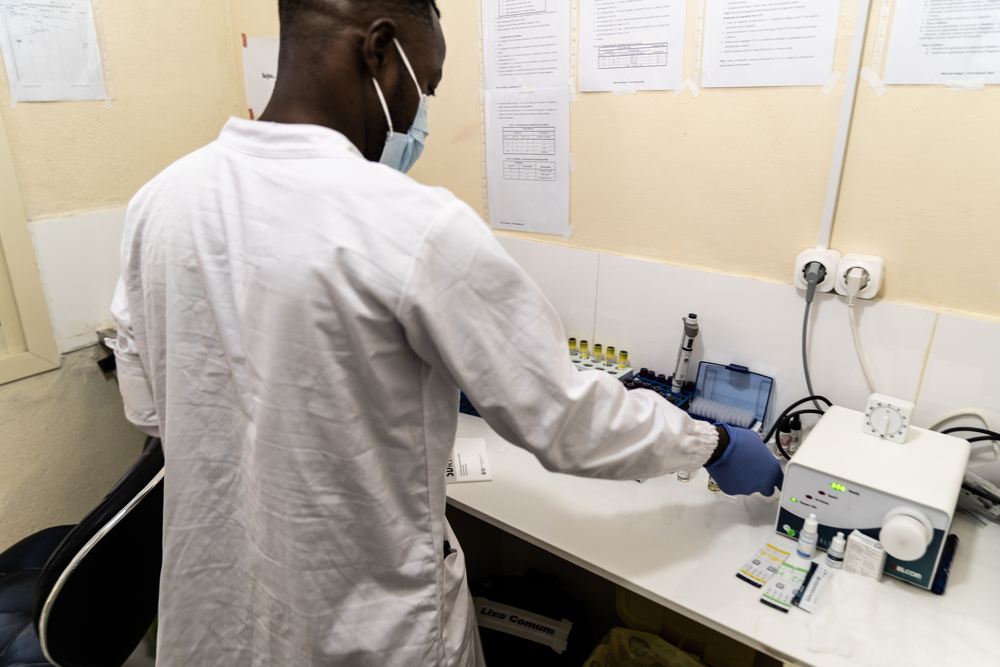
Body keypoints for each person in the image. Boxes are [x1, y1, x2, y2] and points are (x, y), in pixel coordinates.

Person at [110, 1, 782, 665]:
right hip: (365, 626)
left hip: (217, 616)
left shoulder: (162, 199)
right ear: (378, 51)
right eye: (425, 88)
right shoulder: (411, 224)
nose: (418, 118)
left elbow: (148, 404)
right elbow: (564, 417)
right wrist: (713, 442)